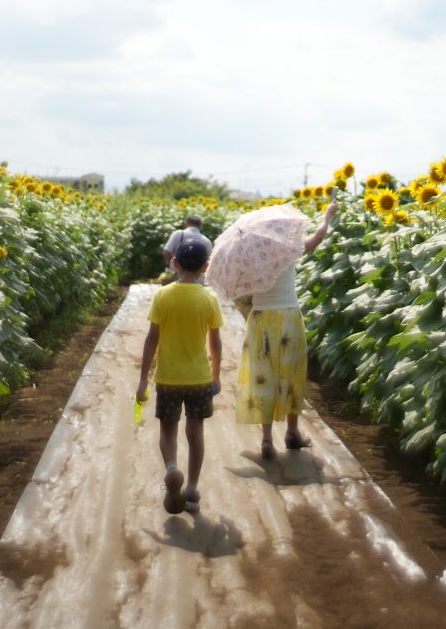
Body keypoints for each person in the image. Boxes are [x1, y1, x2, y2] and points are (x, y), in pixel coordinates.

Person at [236, 193, 339, 459]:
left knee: (263, 376)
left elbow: (245, 294)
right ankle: (292, 432)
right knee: (291, 373)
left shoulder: (248, 260)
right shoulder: (288, 251)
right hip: (288, 317)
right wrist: (327, 216)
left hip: (260, 320)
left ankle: (267, 439)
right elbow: (318, 236)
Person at [137, 238, 224, 514]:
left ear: (174, 264)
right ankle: (192, 489)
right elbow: (216, 342)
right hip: (199, 377)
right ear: (205, 267)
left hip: (168, 377)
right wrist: (217, 375)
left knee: (168, 430)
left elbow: (152, 339)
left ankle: (172, 468)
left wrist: (142, 381)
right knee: (195, 431)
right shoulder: (209, 298)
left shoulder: (162, 296)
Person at [162, 215, 212, 282]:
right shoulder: (206, 241)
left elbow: (167, 252)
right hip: (198, 281)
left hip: (177, 277)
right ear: (200, 226)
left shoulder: (178, 234)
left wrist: (171, 265)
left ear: (186, 224)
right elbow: (209, 261)